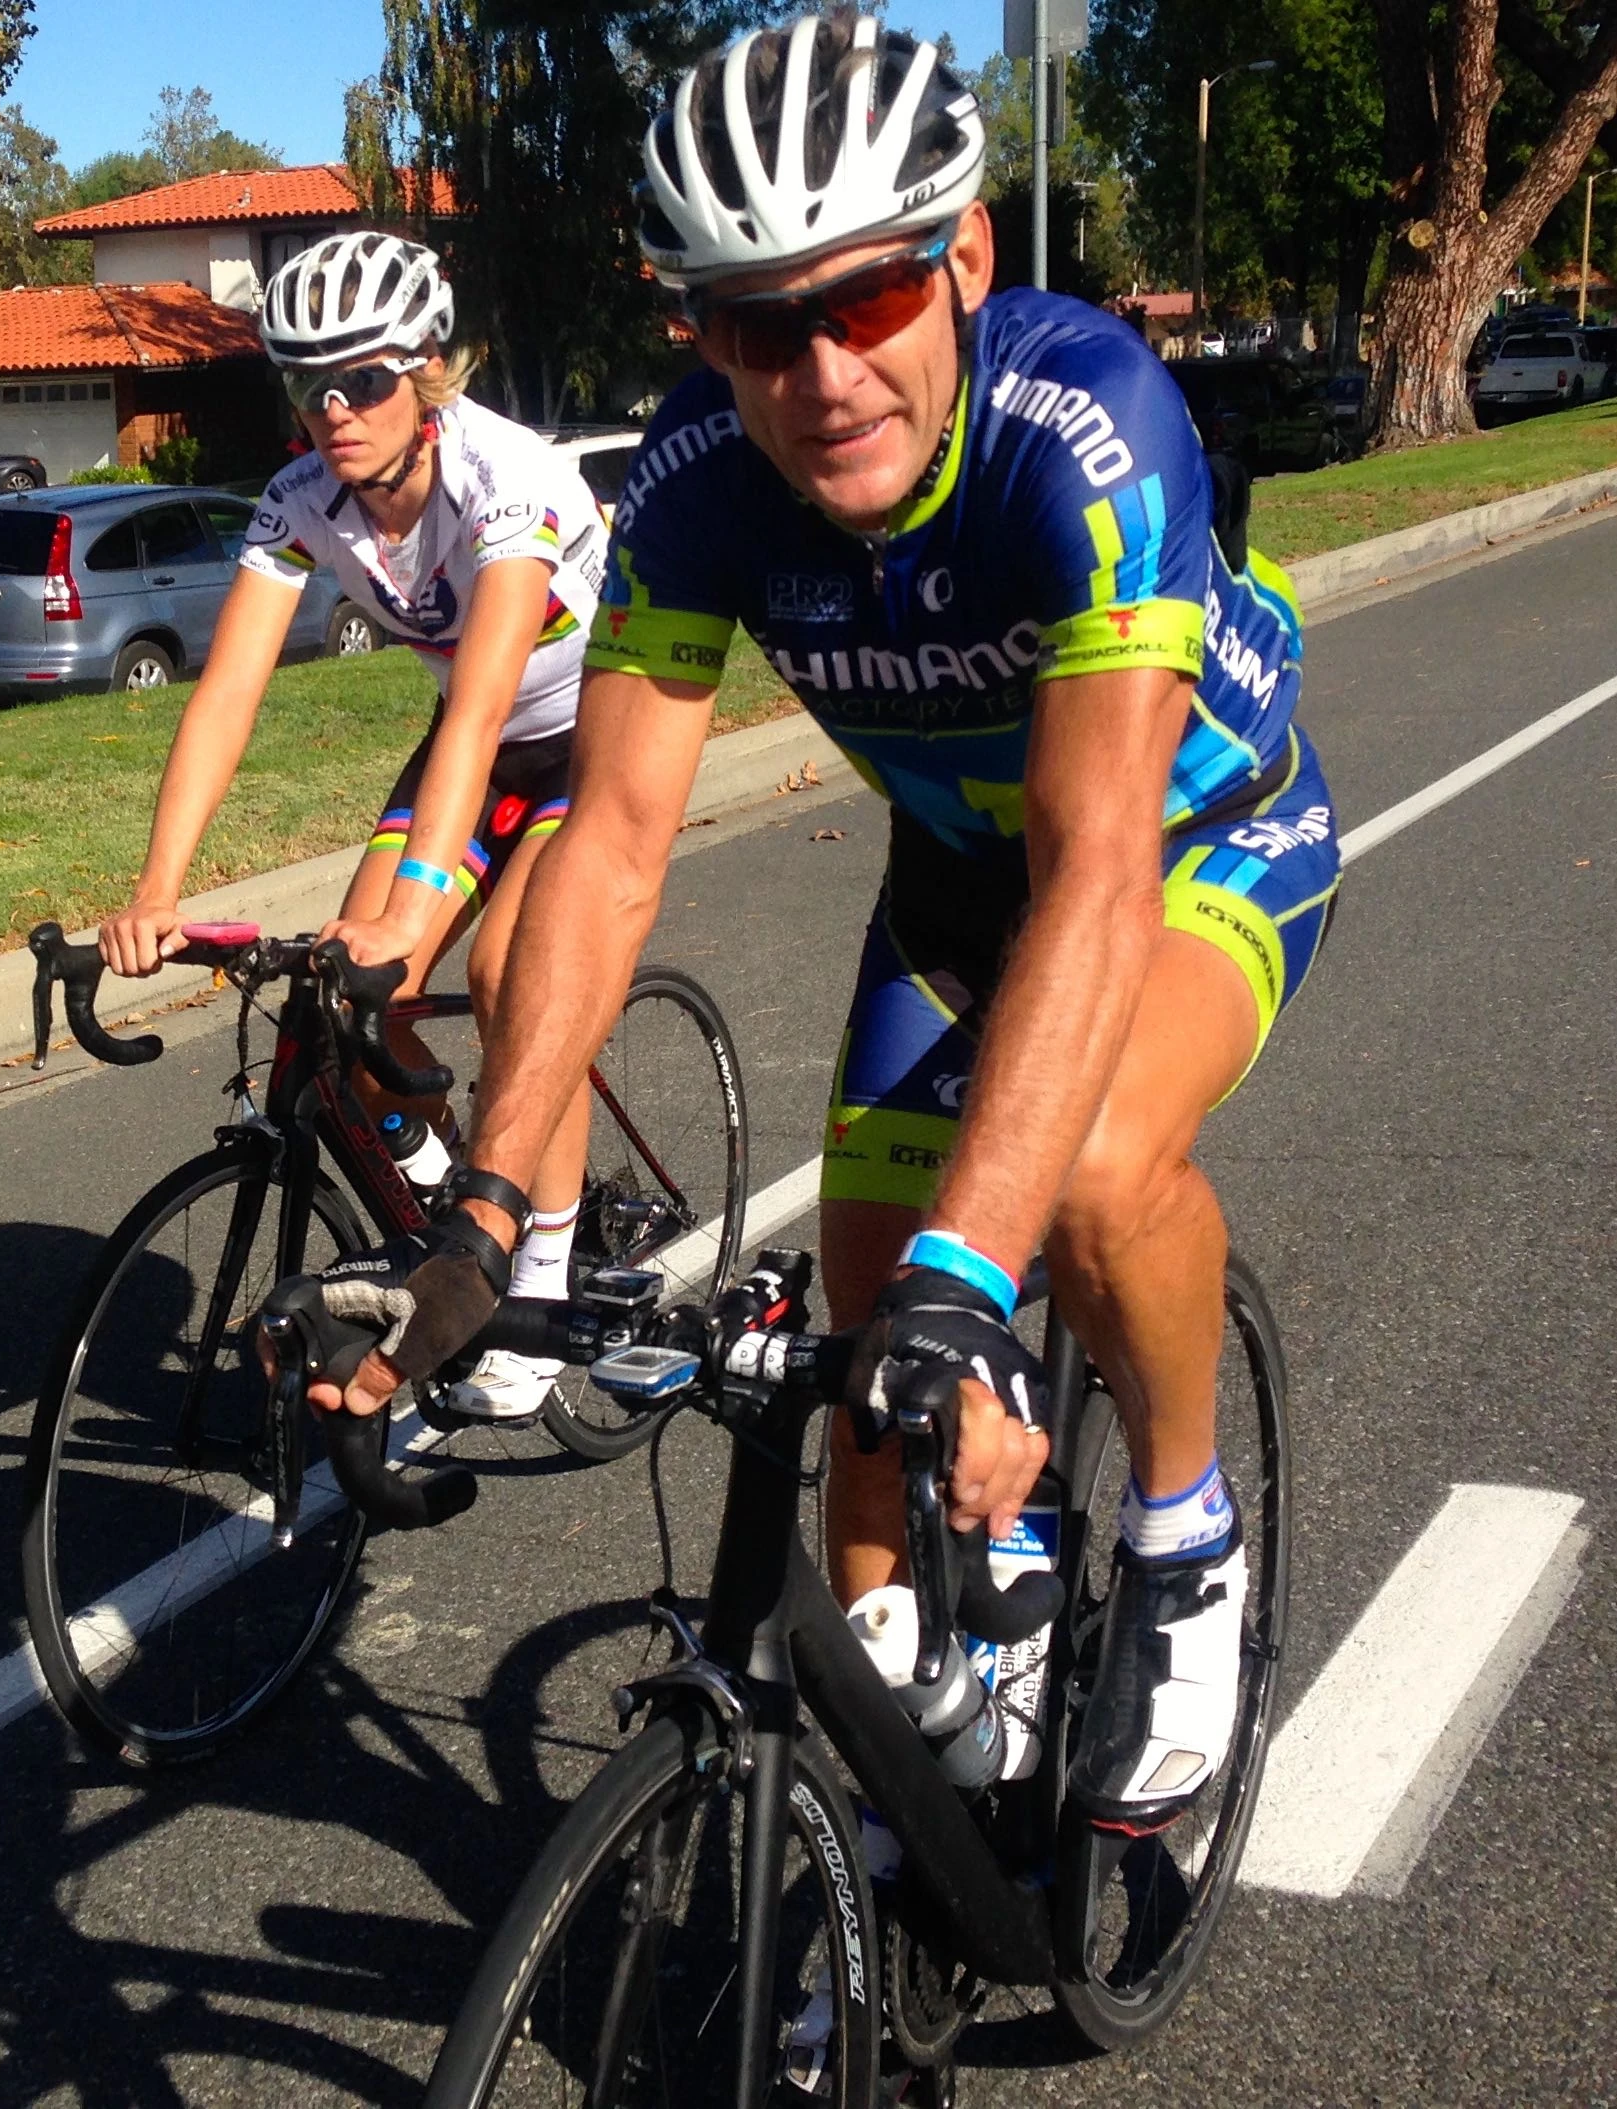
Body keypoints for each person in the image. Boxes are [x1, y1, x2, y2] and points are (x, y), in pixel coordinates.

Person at [305, 12, 1339, 1831]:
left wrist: (974, 1277)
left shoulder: (1085, 423)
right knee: (865, 1376)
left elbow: (1099, 870)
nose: (816, 370)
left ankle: (1183, 1533)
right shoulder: (697, 481)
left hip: (1193, 841)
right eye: (749, 320)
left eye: (860, 299)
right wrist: (487, 1200)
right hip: (953, 881)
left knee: (1077, 1182)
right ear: (691, 327)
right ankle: (885, 1823)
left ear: (965, 261)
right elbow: (612, 846)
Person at [99, 229, 610, 1421]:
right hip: (470, 757)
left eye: (364, 381)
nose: (336, 409)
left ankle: (529, 1284)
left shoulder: (508, 480)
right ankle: (450, 1190)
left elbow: (482, 708)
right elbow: (227, 692)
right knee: (341, 996)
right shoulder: (300, 500)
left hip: (585, 738)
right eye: (307, 385)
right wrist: (155, 891)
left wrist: (416, 908)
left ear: (428, 371)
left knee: (511, 980)